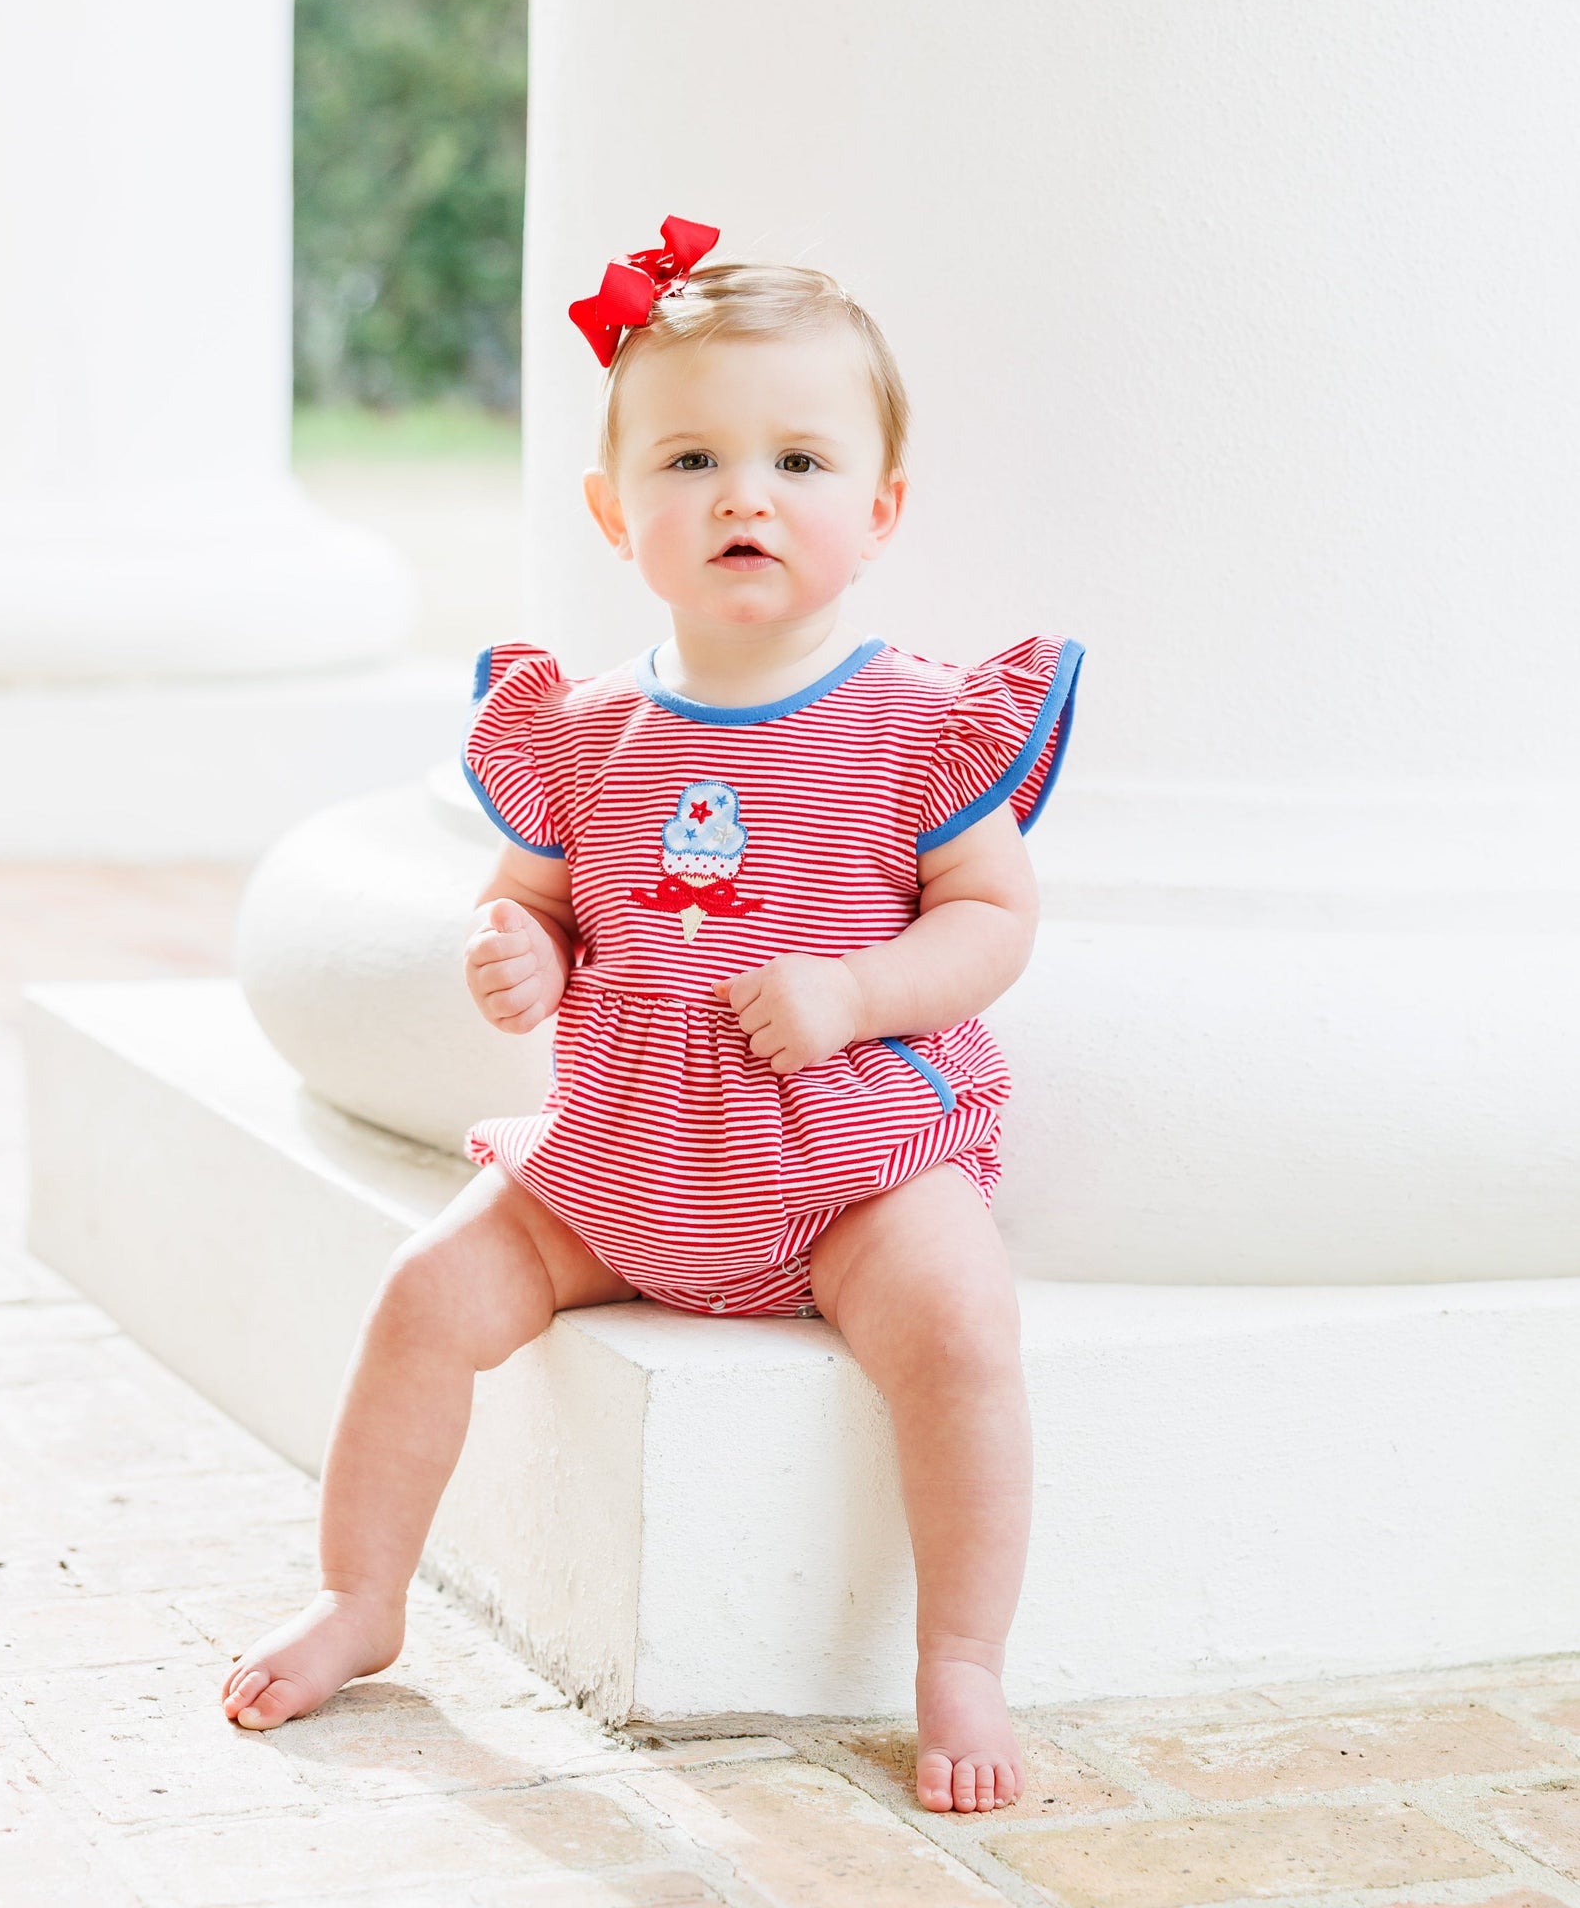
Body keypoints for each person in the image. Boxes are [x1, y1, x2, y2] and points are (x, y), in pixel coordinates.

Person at [222, 215, 1084, 1816]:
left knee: (962, 1332)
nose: (745, 495)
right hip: (623, 1159)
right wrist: (519, 953)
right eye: (692, 460)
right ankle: (360, 1591)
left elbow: (991, 920)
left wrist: (857, 990)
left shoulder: (916, 725)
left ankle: (961, 1656)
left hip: (845, 1166)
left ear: (879, 508)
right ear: (618, 513)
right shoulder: (586, 732)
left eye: (798, 461)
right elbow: (529, 901)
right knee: (424, 1295)